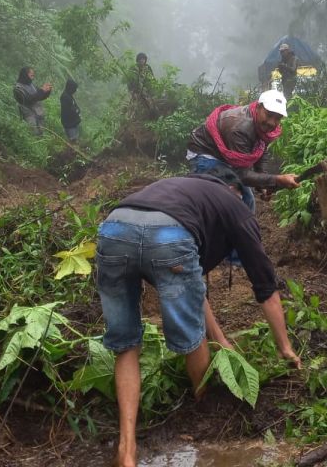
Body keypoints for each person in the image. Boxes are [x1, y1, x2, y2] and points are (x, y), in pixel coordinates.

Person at [95, 168, 302, 467]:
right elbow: (266, 288)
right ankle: (204, 409)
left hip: (114, 229)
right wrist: (285, 348)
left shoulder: (181, 189)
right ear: (237, 191)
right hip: (167, 236)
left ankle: (127, 450)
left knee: (125, 345)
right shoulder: (236, 206)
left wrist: (222, 341)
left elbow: (196, 294)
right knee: (192, 339)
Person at [185, 89, 300, 213]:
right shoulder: (241, 127)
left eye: (278, 118)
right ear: (258, 107)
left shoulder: (262, 129)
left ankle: (242, 230)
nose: (272, 122)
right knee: (234, 197)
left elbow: (260, 151)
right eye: (269, 114)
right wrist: (276, 179)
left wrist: (263, 186)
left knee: (247, 199)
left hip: (224, 157)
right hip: (204, 153)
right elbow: (242, 174)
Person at [13, 66, 52, 134]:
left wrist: (47, 91)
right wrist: (42, 90)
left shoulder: (31, 85)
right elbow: (27, 100)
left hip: (38, 113)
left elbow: (40, 97)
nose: (33, 76)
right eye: (31, 74)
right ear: (25, 74)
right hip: (28, 115)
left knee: (42, 134)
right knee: (33, 135)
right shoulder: (18, 88)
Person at [127, 52, 155, 117]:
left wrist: (152, 91)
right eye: (140, 59)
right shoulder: (133, 68)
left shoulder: (148, 68)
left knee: (150, 104)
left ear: (145, 60)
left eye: (143, 59)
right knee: (132, 106)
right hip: (135, 91)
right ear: (137, 60)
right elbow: (129, 81)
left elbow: (152, 80)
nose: (142, 60)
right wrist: (131, 91)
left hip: (146, 91)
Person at [60, 77, 81, 142]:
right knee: (73, 141)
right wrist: (77, 111)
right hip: (69, 124)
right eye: (74, 88)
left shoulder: (69, 95)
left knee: (76, 139)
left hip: (74, 122)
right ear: (70, 87)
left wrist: (77, 110)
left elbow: (75, 106)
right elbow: (68, 111)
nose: (75, 90)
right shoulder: (64, 97)